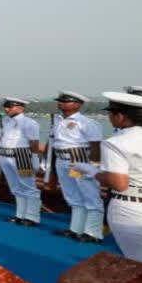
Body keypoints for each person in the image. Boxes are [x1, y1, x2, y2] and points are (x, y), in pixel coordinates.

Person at [76, 91, 142, 264]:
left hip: (134, 209)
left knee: (140, 265)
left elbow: (118, 183)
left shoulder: (116, 142)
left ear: (121, 117)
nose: (109, 117)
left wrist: (91, 171)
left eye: (110, 113)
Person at [41, 91, 104, 242]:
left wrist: (93, 166)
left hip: (78, 159)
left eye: (65, 101)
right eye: (60, 101)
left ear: (77, 104)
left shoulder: (87, 123)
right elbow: (52, 142)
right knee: (73, 196)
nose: (60, 103)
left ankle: (93, 233)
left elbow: (96, 145)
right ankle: (76, 229)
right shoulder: (57, 121)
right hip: (61, 160)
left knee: (90, 195)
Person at [0, 98, 42, 226]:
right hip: (5, 155)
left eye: (10, 106)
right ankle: (20, 215)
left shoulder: (29, 123)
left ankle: (32, 217)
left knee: (28, 187)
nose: (6, 109)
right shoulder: (5, 121)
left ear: (21, 108)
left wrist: (34, 158)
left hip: (22, 156)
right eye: (6, 106)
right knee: (15, 187)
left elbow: (34, 143)